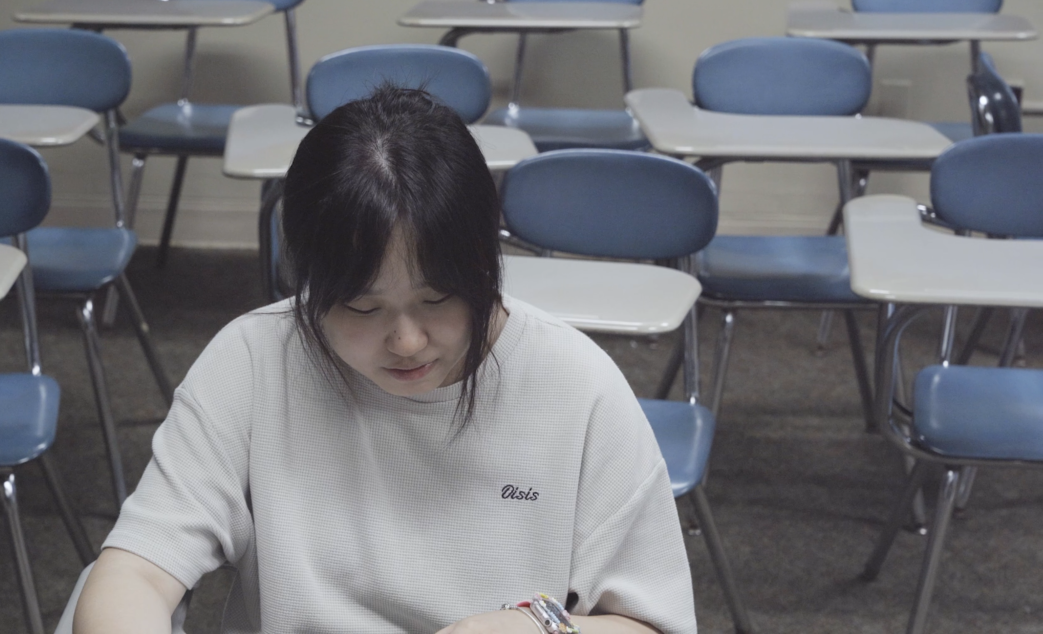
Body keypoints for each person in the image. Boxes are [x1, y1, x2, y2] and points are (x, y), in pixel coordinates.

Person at [73, 85, 697, 634]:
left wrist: (545, 628)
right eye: (361, 307)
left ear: (487, 265)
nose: (406, 341)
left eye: (437, 299)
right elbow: (138, 570)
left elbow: (651, 621)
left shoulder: (576, 386)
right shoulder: (254, 360)